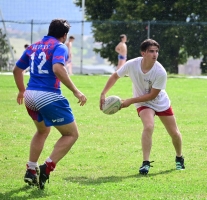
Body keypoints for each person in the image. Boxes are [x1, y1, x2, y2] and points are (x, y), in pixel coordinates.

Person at [13, 19, 87, 189]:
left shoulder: (34, 46)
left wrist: (21, 90)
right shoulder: (60, 46)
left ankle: (31, 169)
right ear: (64, 35)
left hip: (30, 95)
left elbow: (17, 70)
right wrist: (76, 91)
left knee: (42, 131)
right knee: (71, 134)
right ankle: (47, 166)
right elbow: (58, 69)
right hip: (48, 96)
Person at [100, 39, 185, 175]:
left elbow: (152, 96)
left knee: (174, 133)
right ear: (143, 53)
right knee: (149, 126)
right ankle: (145, 163)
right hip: (143, 103)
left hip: (160, 102)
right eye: (151, 51)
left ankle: (179, 157)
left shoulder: (160, 72)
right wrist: (103, 93)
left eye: (156, 51)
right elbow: (115, 76)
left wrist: (130, 101)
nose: (155, 54)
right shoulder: (132, 64)